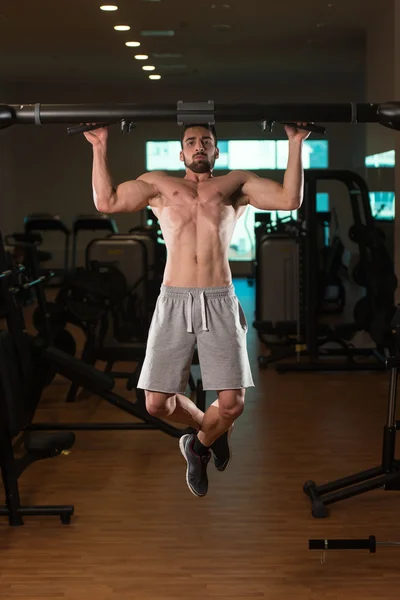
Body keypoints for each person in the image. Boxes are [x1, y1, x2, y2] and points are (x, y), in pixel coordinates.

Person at [83, 120, 310, 497]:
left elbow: (290, 199)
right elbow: (106, 201)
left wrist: (296, 143)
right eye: (191, 142)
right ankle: (209, 433)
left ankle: (199, 445)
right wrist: (99, 144)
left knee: (233, 405)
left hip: (219, 300)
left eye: (206, 141)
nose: (199, 146)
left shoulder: (235, 184)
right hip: (173, 299)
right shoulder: (159, 184)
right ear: (181, 153)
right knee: (156, 404)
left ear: (217, 151)